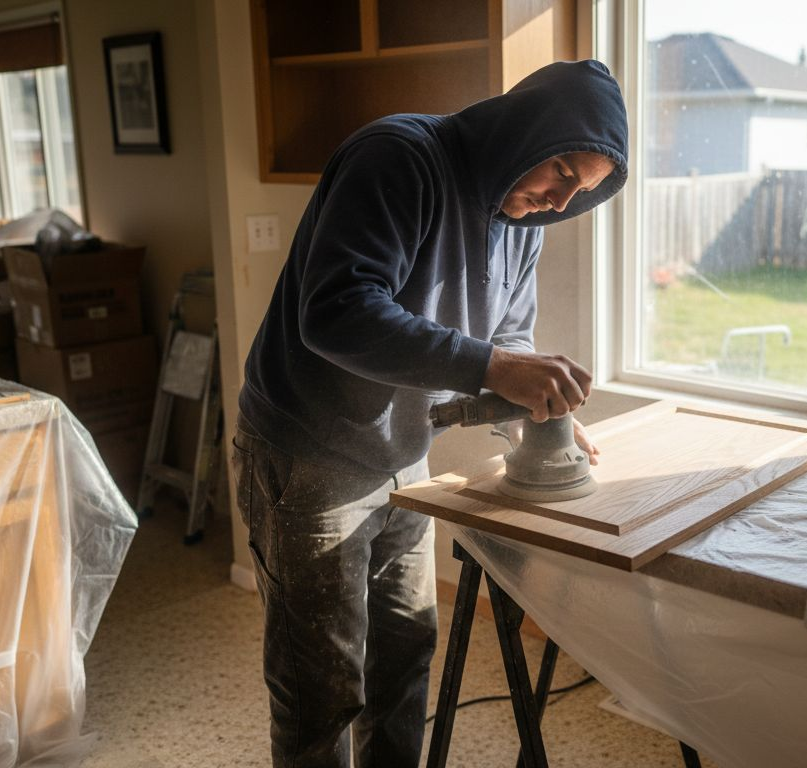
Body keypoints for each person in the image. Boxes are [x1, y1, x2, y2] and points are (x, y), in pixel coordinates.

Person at [230, 59, 628, 768]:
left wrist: (536, 406)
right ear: (527, 130)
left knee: (406, 653)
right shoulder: (398, 159)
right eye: (563, 172)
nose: (561, 200)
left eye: (583, 192)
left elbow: (507, 338)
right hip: (309, 455)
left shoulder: (524, 215)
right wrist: (496, 368)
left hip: (402, 451)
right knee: (321, 684)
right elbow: (336, 312)